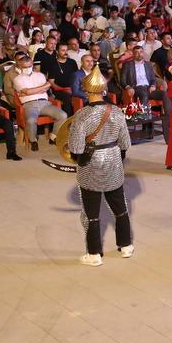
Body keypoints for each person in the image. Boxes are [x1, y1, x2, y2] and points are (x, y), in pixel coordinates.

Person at [70, 66, 134, 266]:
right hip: (113, 160)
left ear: (86, 91)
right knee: (120, 208)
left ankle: (94, 254)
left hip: (91, 164)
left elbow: (76, 148)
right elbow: (125, 144)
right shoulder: (116, 111)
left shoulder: (81, 115)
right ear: (104, 90)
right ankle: (125, 246)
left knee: (92, 214)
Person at [12, 51, 68, 152]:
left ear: (32, 65)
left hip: (44, 103)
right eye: (24, 67)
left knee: (63, 115)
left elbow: (48, 85)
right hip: (29, 104)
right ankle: (33, 141)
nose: (27, 69)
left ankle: (53, 137)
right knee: (30, 120)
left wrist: (31, 91)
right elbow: (28, 91)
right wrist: (40, 89)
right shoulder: (17, 79)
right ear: (20, 67)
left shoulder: (40, 75)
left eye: (29, 66)